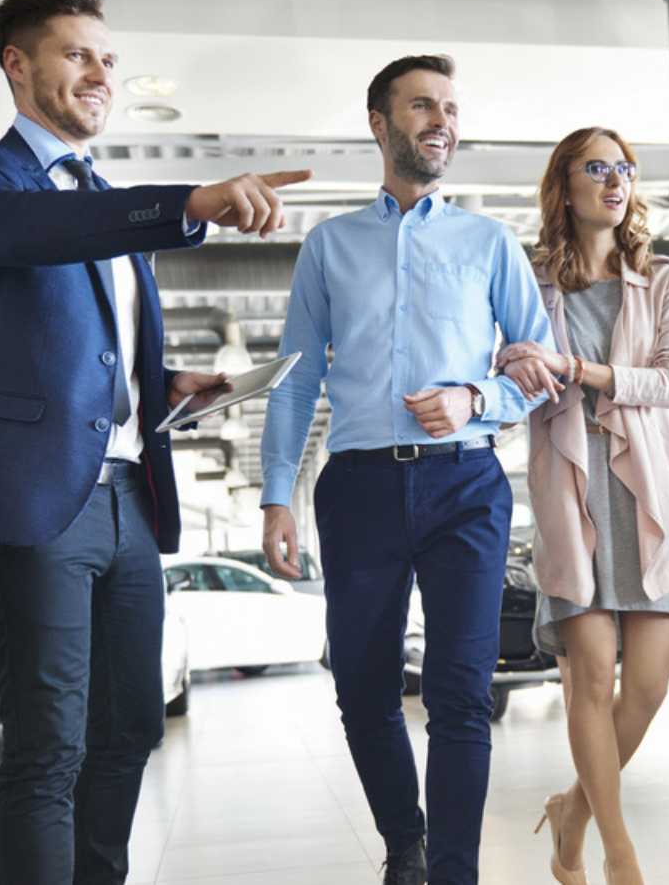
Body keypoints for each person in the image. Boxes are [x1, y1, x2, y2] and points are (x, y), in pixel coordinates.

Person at [0, 0, 308, 882]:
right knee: (48, 745)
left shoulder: (99, 195)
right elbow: (19, 234)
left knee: (130, 726)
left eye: (107, 58)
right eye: (75, 54)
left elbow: (90, 346)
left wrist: (164, 386)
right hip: (35, 503)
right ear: (16, 64)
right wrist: (189, 201)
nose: (100, 74)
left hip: (131, 497)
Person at [260, 55, 556, 885]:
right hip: (356, 489)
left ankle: (454, 873)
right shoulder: (328, 246)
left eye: (452, 109)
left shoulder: (489, 243)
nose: (443, 122)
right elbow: (295, 377)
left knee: (462, 693)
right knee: (363, 689)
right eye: (423, 105)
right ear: (379, 123)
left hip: (466, 485)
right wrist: (275, 497)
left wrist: (476, 398)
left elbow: (542, 370)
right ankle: (408, 846)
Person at [497, 128, 669, 885]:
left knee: (647, 684)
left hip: (648, 489)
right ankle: (619, 857)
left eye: (624, 168)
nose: (615, 180)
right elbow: (511, 372)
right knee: (589, 678)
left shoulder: (663, 277)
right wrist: (518, 362)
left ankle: (573, 811)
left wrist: (577, 368)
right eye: (597, 167)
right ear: (567, 184)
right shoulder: (531, 283)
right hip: (569, 484)